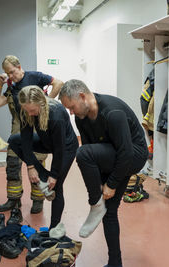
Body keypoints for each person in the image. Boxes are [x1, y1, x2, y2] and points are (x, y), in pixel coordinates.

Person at [59, 79, 148, 267]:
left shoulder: (112, 113)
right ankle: (115, 263)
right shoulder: (81, 118)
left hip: (134, 154)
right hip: (114, 153)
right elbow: (94, 150)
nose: (71, 112)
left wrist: (112, 184)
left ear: (82, 96)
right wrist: (100, 183)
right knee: (109, 211)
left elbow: (126, 153)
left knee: (82, 154)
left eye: (72, 107)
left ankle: (95, 204)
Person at [0, 55, 64, 214]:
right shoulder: (11, 86)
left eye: (12, 72)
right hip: (18, 128)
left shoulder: (35, 76)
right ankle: (13, 199)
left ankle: (38, 200)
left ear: (19, 67)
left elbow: (58, 83)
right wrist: (0, 84)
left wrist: (45, 104)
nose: (10, 76)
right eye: (7, 74)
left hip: (36, 128)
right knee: (12, 165)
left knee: (36, 163)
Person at [8, 85, 78, 229]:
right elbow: (26, 139)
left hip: (66, 147)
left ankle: (54, 228)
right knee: (15, 140)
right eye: (27, 111)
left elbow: (59, 150)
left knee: (56, 186)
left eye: (33, 111)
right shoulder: (26, 110)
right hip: (46, 141)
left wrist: (54, 175)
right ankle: (43, 175)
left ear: (42, 103)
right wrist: (31, 167)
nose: (30, 114)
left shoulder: (56, 113)